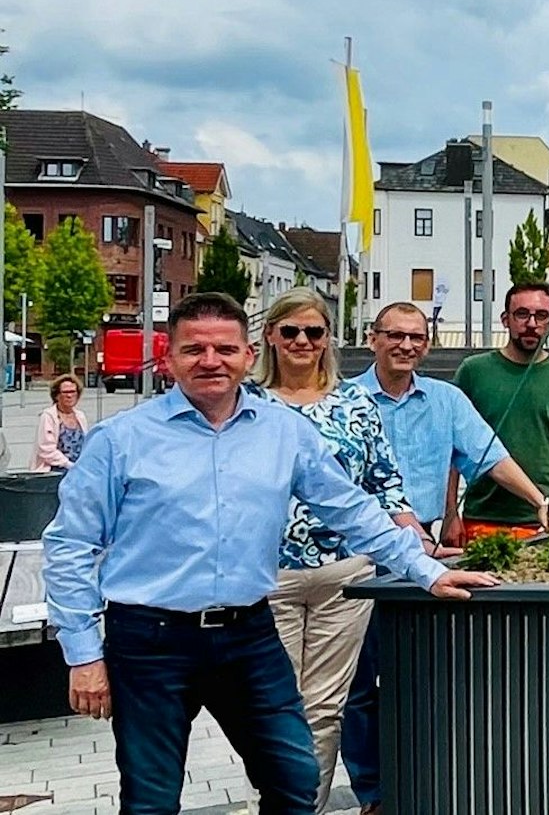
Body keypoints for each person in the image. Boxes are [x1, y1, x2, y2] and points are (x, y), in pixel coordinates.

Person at [40, 292, 495, 815]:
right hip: (150, 640)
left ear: (248, 354)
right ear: (169, 358)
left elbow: (350, 508)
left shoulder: (283, 431)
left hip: (248, 635)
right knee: (151, 797)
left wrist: (426, 571)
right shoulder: (121, 439)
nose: (211, 361)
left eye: (225, 349)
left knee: (296, 778)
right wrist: (83, 654)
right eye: (195, 350)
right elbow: (70, 546)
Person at [342, 301, 549, 815]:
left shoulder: (446, 400)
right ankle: (372, 793)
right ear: (373, 339)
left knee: (422, 677)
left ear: (428, 344)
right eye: (395, 335)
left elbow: (491, 455)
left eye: (417, 337)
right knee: (358, 685)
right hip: (358, 559)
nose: (406, 346)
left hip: (426, 559)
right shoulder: (346, 403)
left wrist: (540, 502)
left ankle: (427, 782)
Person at [253, 288, 418, 812]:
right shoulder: (246, 403)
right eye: (291, 332)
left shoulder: (355, 404)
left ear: (329, 340)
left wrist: (410, 532)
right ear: (271, 338)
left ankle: (305, 806)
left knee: (324, 705)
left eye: (314, 332)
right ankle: (280, 797)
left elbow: (385, 482)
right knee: (275, 703)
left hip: (343, 574)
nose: (303, 341)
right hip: (266, 573)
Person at [453, 282, 549, 540]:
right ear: (505, 319)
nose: (532, 323)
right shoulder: (473, 372)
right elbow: (452, 447)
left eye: (541, 316)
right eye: (522, 314)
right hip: (486, 517)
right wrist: (450, 511)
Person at [29, 374, 89, 472]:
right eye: (65, 392)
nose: (69, 396)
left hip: (78, 470)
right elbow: (46, 449)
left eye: (73, 392)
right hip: (54, 472)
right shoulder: (48, 416)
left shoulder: (80, 416)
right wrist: (68, 465)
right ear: (57, 395)